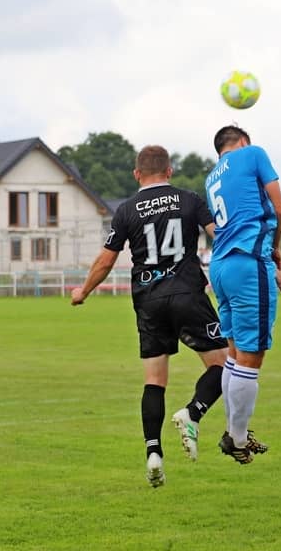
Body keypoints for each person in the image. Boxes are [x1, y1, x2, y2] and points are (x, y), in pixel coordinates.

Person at [71, 145, 229, 488]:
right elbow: (220, 235)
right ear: (169, 171)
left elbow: (106, 260)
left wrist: (83, 291)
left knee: (154, 380)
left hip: (148, 300)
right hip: (187, 294)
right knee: (224, 364)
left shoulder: (127, 210)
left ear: (136, 174)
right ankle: (192, 413)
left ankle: (154, 453)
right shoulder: (189, 200)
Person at [206, 124, 281, 464]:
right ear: (243, 141)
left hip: (220, 266)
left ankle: (235, 432)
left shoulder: (211, 177)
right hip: (248, 264)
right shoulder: (253, 153)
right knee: (251, 356)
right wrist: (275, 249)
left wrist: (272, 272)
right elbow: (280, 210)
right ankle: (237, 437)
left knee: (234, 354)